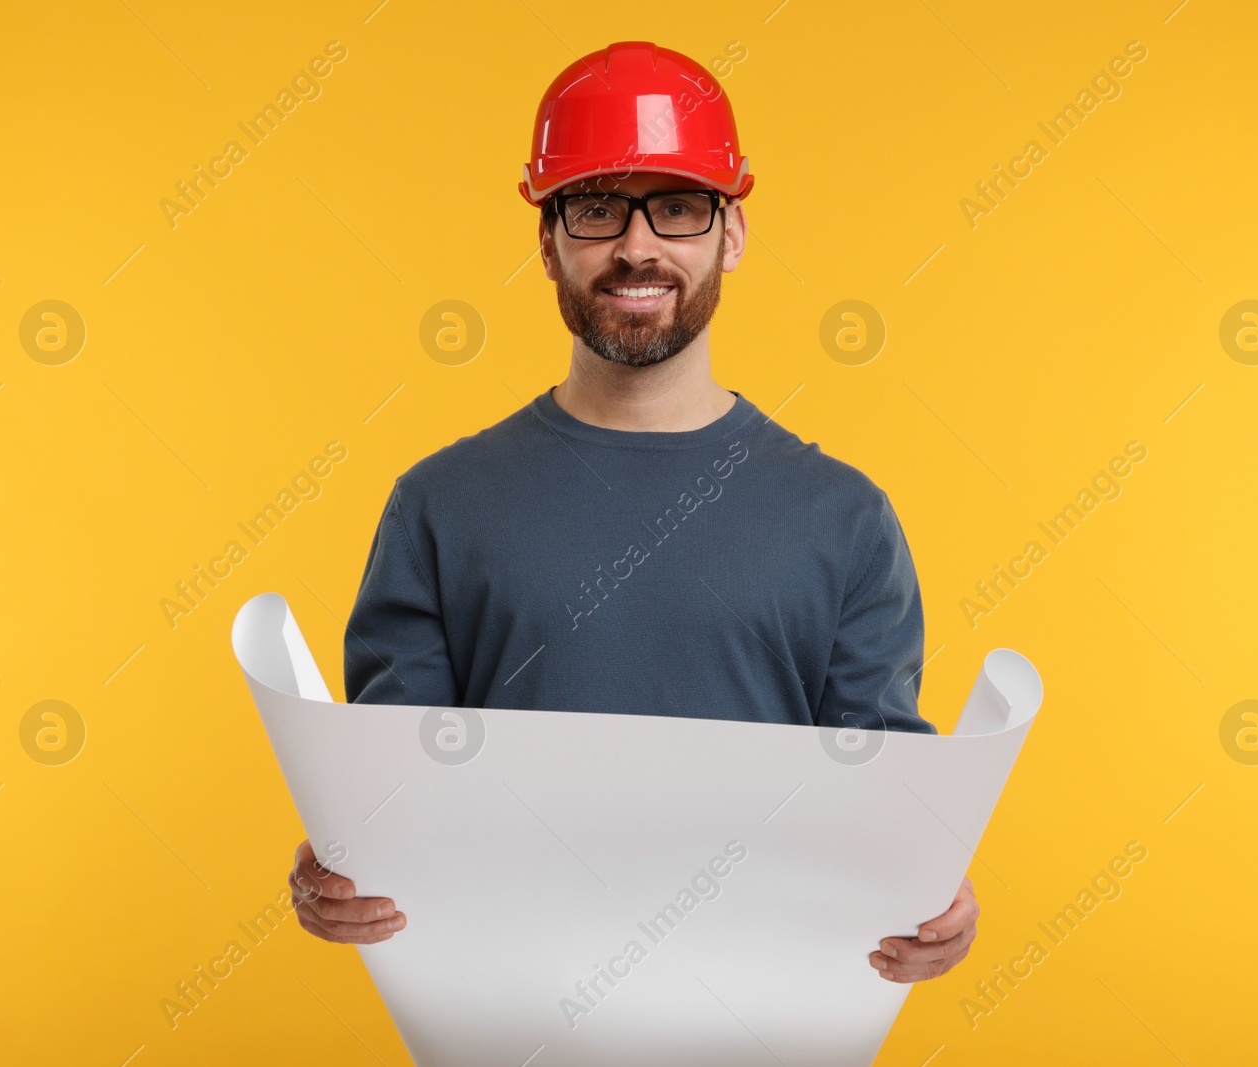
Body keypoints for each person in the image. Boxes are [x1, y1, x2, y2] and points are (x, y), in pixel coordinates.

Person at [288, 41, 978, 986]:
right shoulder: (439, 507)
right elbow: (389, 807)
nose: (638, 247)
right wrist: (337, 868)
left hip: (764, 1025)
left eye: (680, 207)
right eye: (598, 206)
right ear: (548, 240)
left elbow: (886, 812)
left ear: (731, 233)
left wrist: (933, 897)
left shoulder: (845, 519)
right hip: (503, 1023)